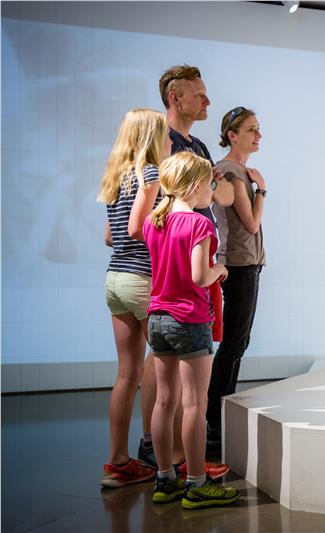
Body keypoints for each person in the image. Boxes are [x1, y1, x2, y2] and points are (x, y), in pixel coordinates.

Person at [136, 64, 234, 467]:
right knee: (168, 370)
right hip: (170, 262)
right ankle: (159, 449)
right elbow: (150, 198)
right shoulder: (159, 141)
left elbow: (224, 195)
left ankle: (174, 455)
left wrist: (216, 186)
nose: (208, 100)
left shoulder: (199, 146)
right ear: (175, 97)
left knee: (172, 368)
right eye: (199, 94)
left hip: (192, 256)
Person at [143, 151, 240, 509]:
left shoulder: (154, 222)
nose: (212, 190)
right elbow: (200, 276)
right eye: (210, 184)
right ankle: (197, 483)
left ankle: (165, 478)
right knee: (194, 405)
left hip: (157, 319)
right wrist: (220, 270)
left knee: (164, 401)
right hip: (189, 320)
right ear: (197, 185)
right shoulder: (200, 225)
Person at [98, 108, 169, 487]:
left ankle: (118, 462)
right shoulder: (150, 174)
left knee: (127, 374)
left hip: (115, 279)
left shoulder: (117, 175)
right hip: (143, 278)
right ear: (152, 137)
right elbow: (135, 228)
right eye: (164, 134)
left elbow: (111, 236)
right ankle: (172, 460)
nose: (169, 140)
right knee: (166, 364)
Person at [206, 106, 266, 456]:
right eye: (251, 129)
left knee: (237, 342)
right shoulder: (232, 172)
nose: (258, 135)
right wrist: (263, 190)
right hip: (240, 265)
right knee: (233, 343)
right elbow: (252, 223)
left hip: (245, 264)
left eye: (258, 129)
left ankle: (219, 415)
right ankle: (216, 420)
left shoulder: (237, 171)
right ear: (232, 135)